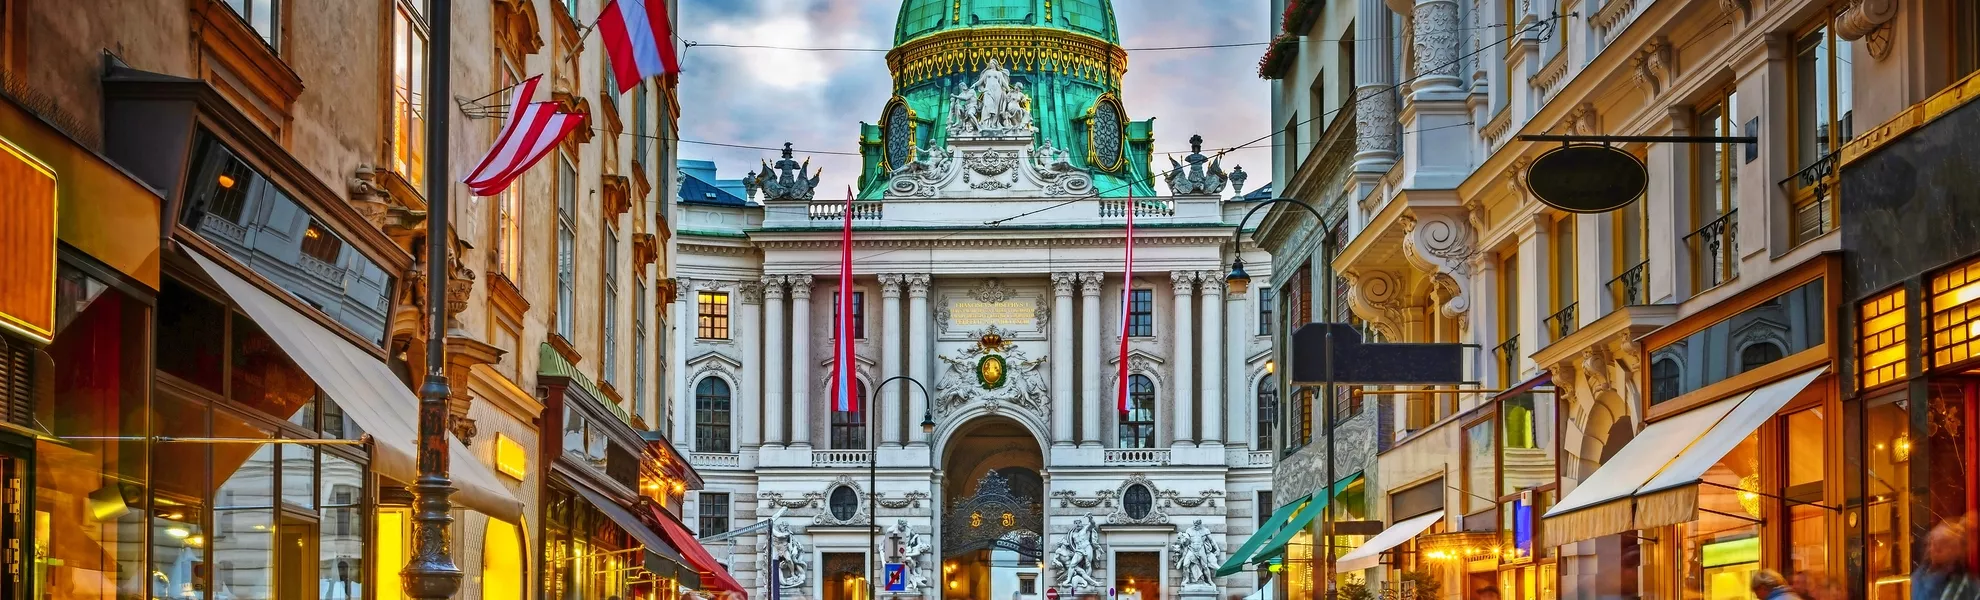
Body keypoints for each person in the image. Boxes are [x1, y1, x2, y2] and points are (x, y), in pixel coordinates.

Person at [1915, 515, 1977, 600]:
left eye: (1942, 543)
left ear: (1956, 549)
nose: (1933, 549)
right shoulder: (1920, 574)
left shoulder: (1967, 585)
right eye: (1931, 542)